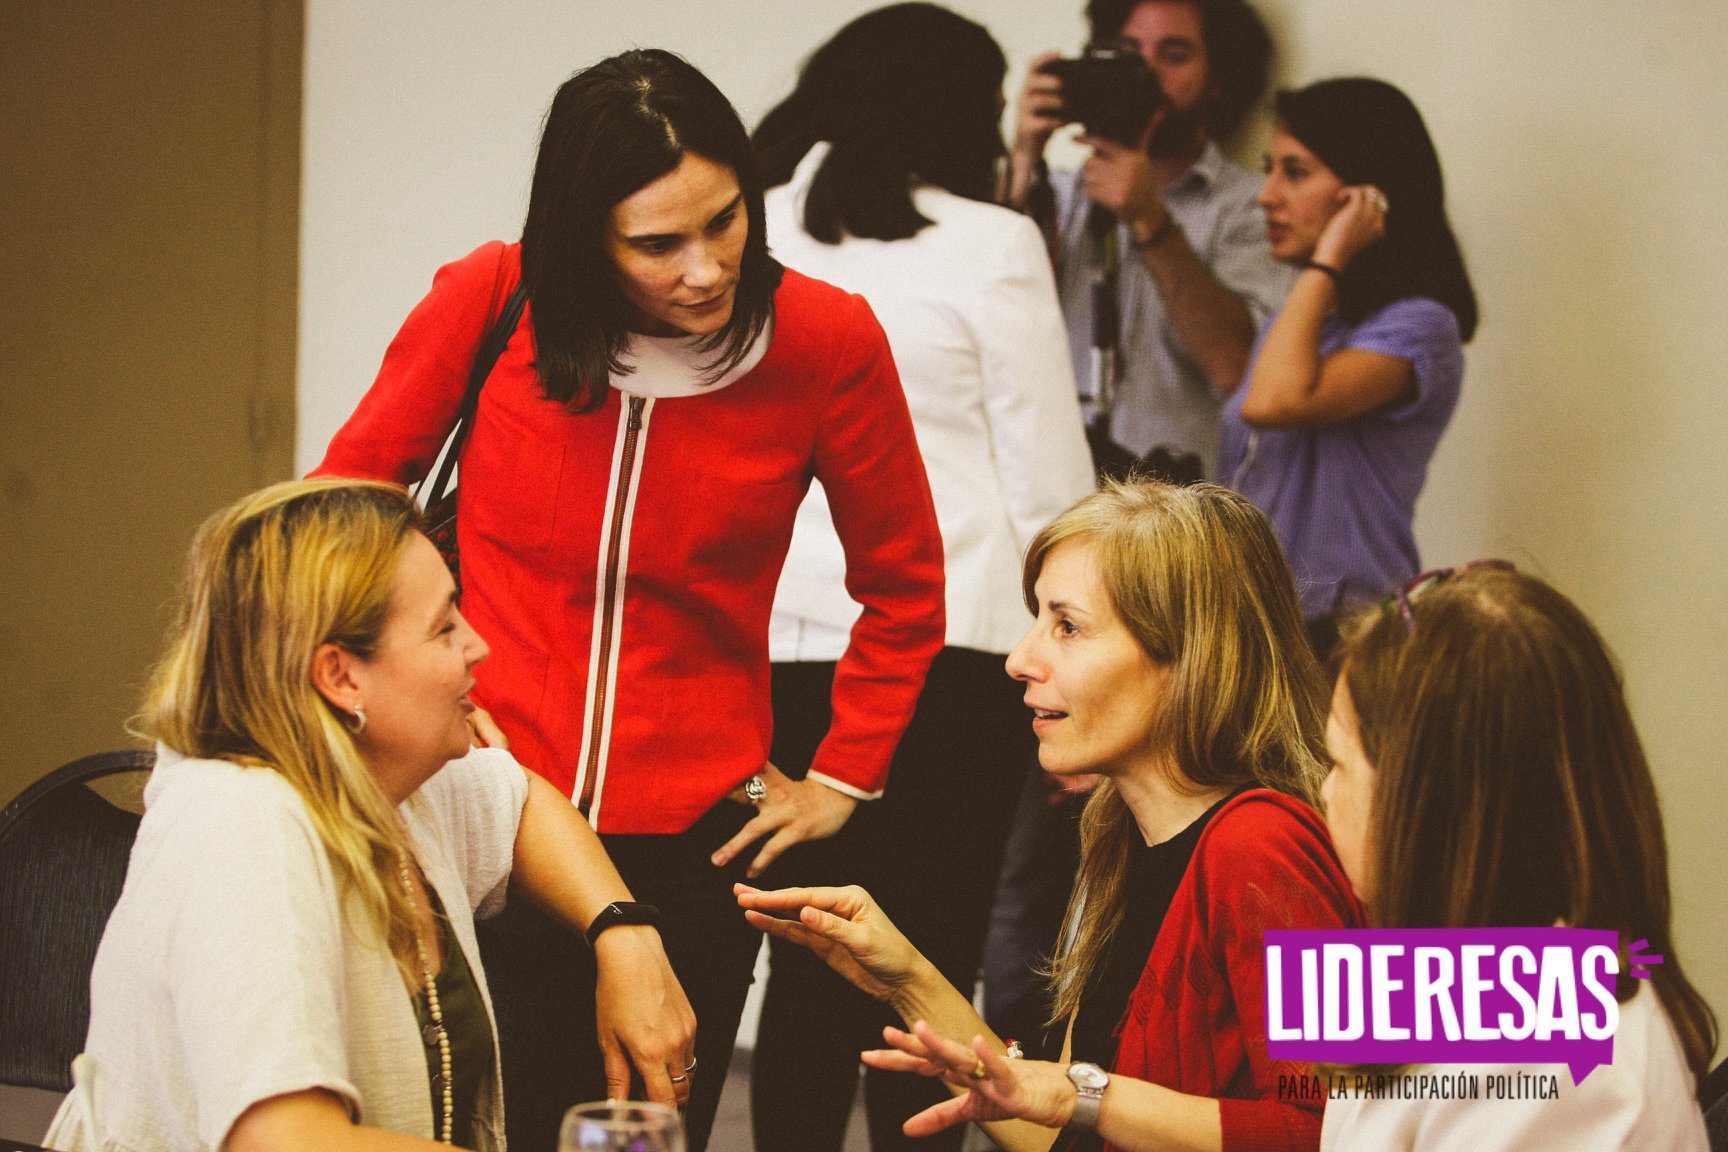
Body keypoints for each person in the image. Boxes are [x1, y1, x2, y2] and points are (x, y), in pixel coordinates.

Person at [313, 50, 946, 1152]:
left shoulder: (825, 341)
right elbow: (337, 513)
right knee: (462, 1121)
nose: (705, 269)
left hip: (692, 835)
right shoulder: (494, 300)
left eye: (726, 221)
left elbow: (904, 582)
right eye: (657, 244)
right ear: (582, 232)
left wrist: (843, 775)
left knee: (640, 1133)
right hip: (479, 801)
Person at [43, 479, 693, 1152]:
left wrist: (625, 937)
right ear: (342, 677)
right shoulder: (240, 827)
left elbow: (520, 802)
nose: (478, 646)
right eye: (444, 627)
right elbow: (284, 1141)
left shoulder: (383, 779)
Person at [740, 481, 1365, 1152]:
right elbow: (1062, 1131)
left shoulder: (1263, 846)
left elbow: (1337, 1129)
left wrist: (1082, 1093)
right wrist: (908, 980)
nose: (1019, 659)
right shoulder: (1121, 831)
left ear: (1187, 657)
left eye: (1066, 626)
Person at [748, 8, 1097, 1151]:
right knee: (926, 963)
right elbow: (1048, 481)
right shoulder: (991, 242)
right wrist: (1081, 659)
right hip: (952, 640)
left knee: (801, 959)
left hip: (789, 632)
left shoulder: (757, 230)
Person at [1319, 562, 1716, 1148]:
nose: (1323, 790)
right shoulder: (1454, 971)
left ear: (1431, 812)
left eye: (1340, 765)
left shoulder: (1561, 1069)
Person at [1218, 78, 1478, 655]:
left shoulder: (1421, 326)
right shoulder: (1303, 321)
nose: (1267, 194)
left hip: (1341, 636)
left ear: (1367, 194)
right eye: (1269, 169)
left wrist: (1329, 256)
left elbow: (1274, 404)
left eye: (1295, 171)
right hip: (1248, 626)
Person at [1007, 0, 1291, 481]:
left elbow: (1235, 369)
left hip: (1182, 511)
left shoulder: (1257, 207)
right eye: (1128, 53)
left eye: (1174, 55)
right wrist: (1021, 161)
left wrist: (1149, 218)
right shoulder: (1050, 196)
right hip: (1056, 490)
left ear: (1219, 77)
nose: (1146, 73)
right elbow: (991, 328)